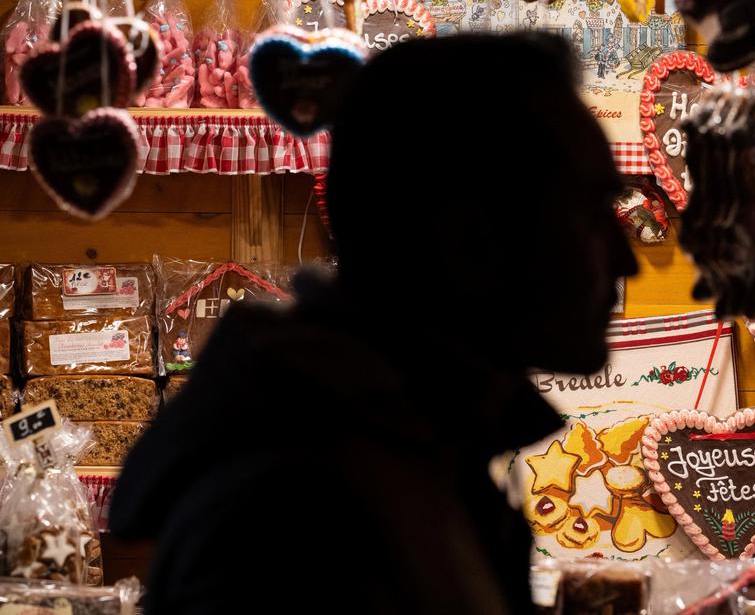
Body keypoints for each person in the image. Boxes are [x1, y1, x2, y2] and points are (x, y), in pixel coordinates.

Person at [108, 33, 639, 614]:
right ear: (469, 233)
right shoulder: (295, 514)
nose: (626, 260)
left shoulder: (410, 442)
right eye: (591, 213)